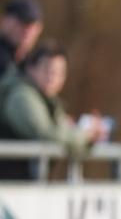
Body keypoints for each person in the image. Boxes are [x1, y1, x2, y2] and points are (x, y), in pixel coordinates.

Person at [0, 41, 106, 179]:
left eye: (59, 73)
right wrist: (84, 137)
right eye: (47, 70)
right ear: (31, 68)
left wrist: (81, 130)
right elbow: (46, 133)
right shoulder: (21, 96)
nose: (53, 78)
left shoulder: (47, 100)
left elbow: (58, 132)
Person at [0, 0, 43, 77]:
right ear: (5, 20)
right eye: (21, 23)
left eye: (32, 26)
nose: (27, 31)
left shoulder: (30, 65)